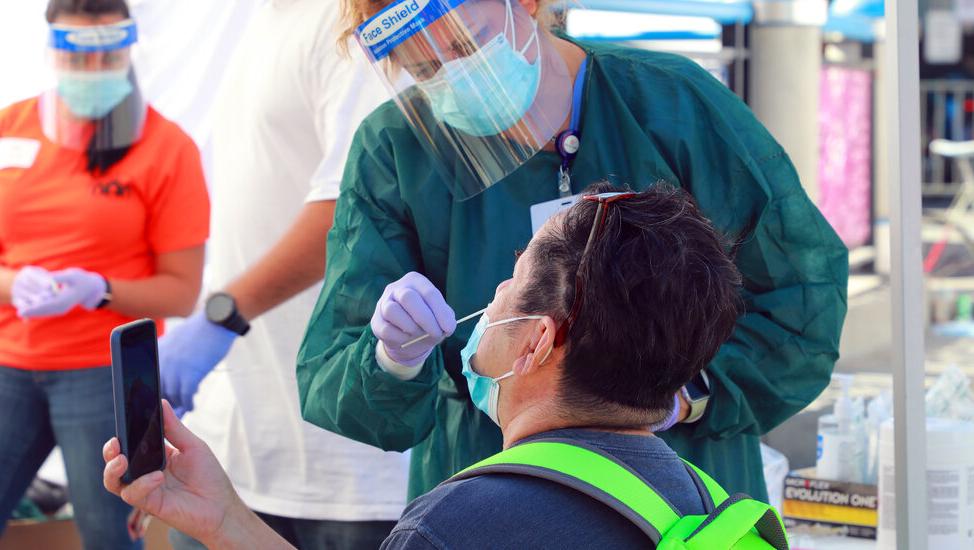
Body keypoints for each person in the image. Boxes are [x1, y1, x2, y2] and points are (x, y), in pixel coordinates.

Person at [295, 0, 849, 503]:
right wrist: (394, 359)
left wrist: (682, 397)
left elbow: (802, 300)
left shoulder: (670, 103)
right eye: (426, 69)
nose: (455, 76)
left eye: (466, 46)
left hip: (675, 487)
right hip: (492, 492)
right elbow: (334, 372)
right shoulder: (397, 147)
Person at [103, 183, 781, 549]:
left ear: (535, 342)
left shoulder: (457, 526)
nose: (492, 296)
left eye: (511, 280)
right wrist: (226, 522)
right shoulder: (700, 502)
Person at [0, 1, 209, 548]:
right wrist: (13, 283)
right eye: (78, 57)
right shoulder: (4, 129)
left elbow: (181, 292)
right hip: (5, 364)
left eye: (106, 55)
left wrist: (99, 291)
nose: (92, 70)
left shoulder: (167, 147)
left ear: (128, 49)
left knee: (111, 536)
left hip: (106, 373)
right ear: (53, 51)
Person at [155, 1, 411, 548]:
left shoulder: (345, 23)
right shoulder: (261, 24)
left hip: (343, 459)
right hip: (239, 447)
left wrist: (221, 316)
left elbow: (351, 207)